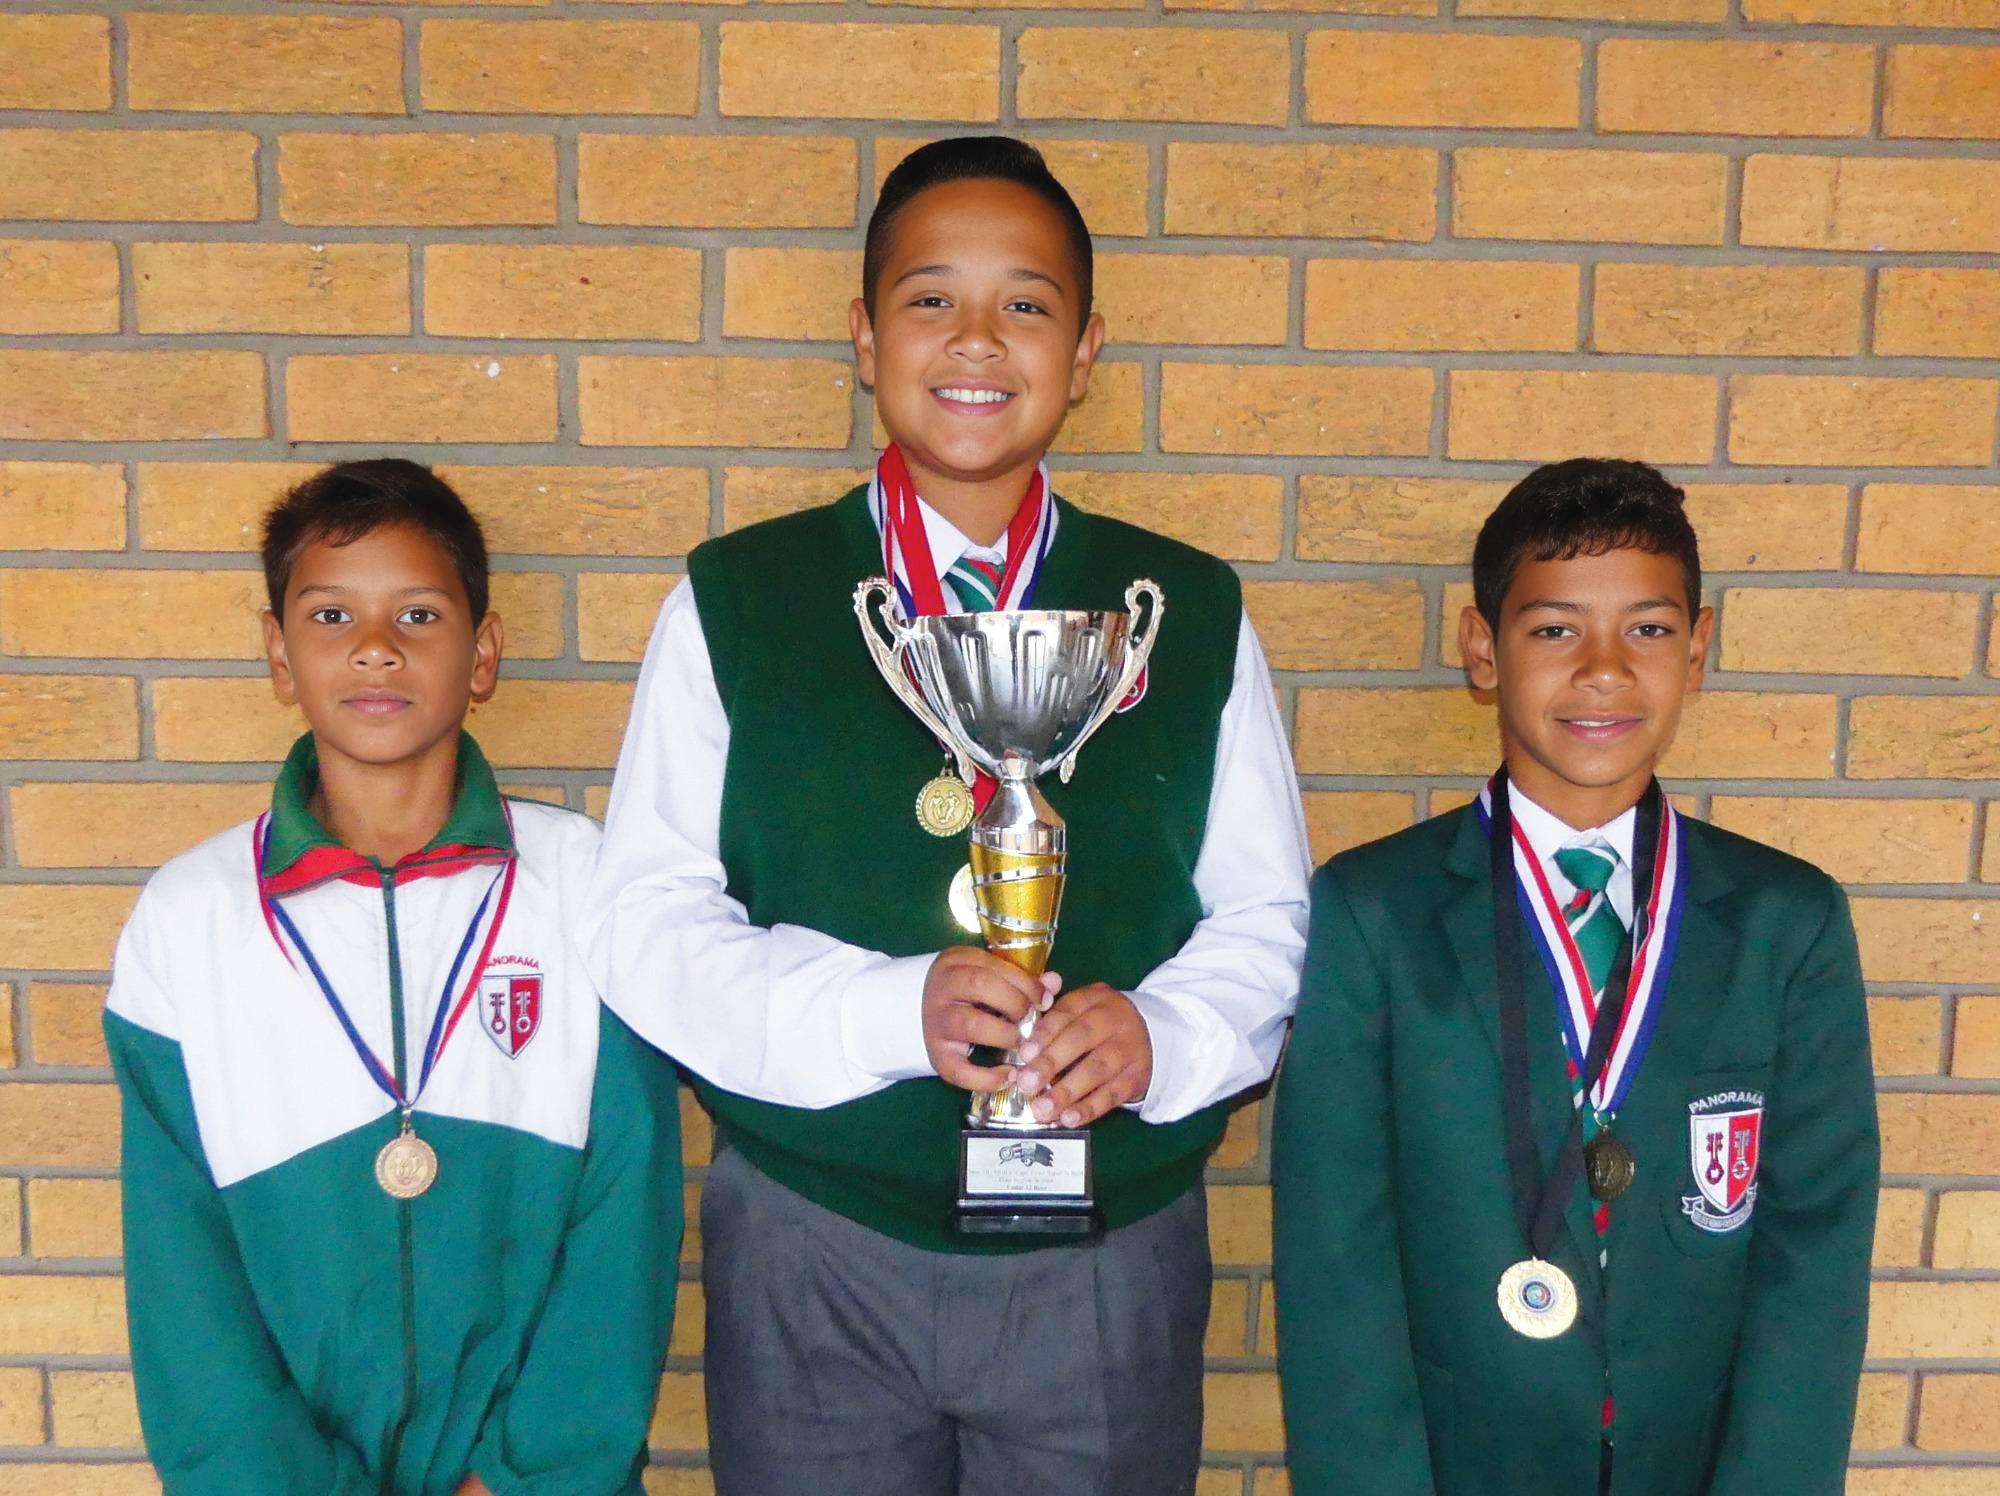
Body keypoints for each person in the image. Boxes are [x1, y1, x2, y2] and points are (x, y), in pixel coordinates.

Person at [584, 136, 1311, 1496]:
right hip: (817, 1237)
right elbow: (645, 922)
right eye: (931, 299)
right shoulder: (740, 600)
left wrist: (1163, 1034)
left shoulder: (1180, 609)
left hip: (1105, 1254)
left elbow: (1270, 915)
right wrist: (883, 1010)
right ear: (865, 337)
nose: (977, 338)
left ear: (1084, 351)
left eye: (1024, 303)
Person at [1273, 457, 1879, 1496]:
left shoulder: (1786, 922)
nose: (1603, 669)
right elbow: (1336, 1260)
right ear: (1482, 648)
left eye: (1647, 629)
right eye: (1555, 629)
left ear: (1697, 650)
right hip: (1456, 1462)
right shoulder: (1376, 912)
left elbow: (1812, 1260)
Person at [105, 459, 681, 1495]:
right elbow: (184, 1285)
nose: (376, 645)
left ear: (482, 653)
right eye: (331, 615)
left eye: (418, 613)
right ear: (279, 653)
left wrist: (523, 1477)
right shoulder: (187, 921)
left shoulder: (588, 887)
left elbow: (624, 1224)